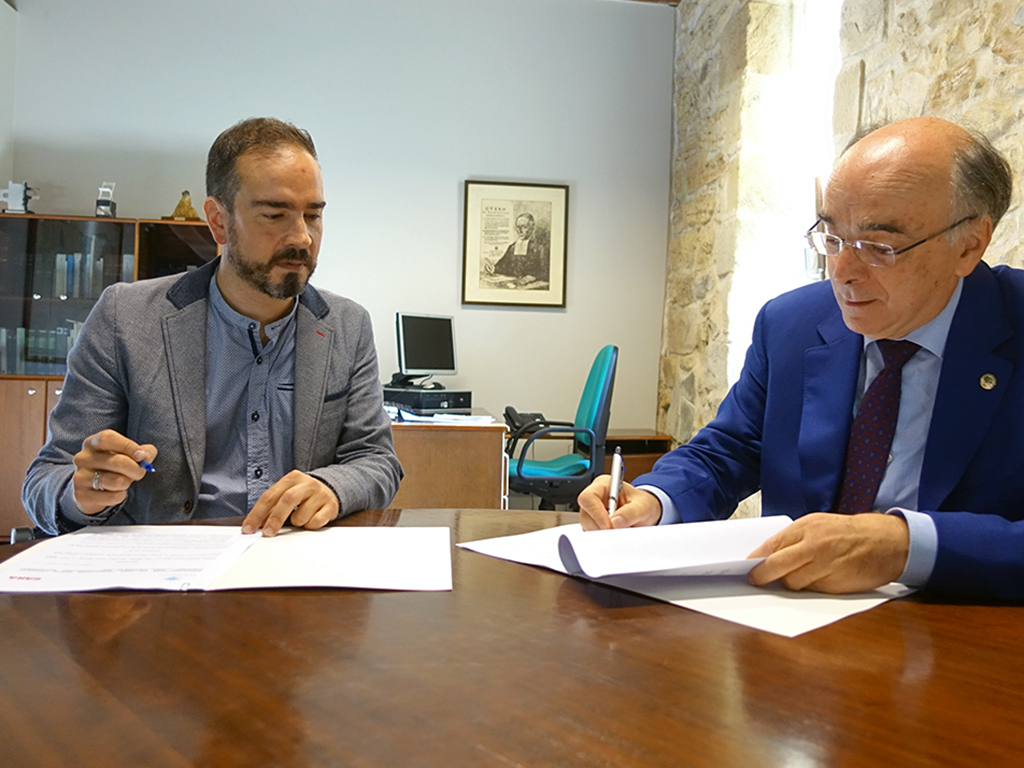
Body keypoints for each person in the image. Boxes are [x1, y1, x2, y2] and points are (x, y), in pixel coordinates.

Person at [578, 116, 1024, 600]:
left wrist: (906, 545)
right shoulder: (791, 324)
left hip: (963, 625)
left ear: (970, 244)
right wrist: (654, 499)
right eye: (831, 237)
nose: (842, 271)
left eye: (880, 247)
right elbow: (729, 449)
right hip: (791, 617)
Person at [23, 117, 403, 537]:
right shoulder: (125, 318)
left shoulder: (347, 326)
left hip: (293, 557)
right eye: (275, 214)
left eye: (313, 215)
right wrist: (82, 493)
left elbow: (376, 460)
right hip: (164, 565)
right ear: (218, 220)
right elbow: (47, 476)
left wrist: (332, 486)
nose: (302, 238)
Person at [492, 212, 550, 284]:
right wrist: (493, 268)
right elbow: (501, 267)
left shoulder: (540, 249)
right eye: (518, 227)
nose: (520, 231)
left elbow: (546, 273)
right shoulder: (512, 247)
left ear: (532, 228)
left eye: (524, 227)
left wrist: (534, 277)